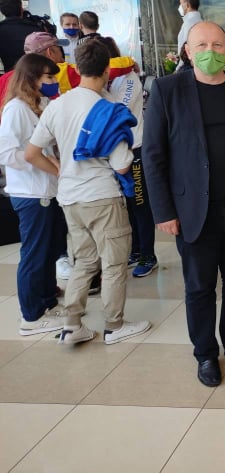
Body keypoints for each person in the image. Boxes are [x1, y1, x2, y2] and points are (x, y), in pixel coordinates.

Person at [143, 21, 225, 387]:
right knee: (200, 286)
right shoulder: (168, 90)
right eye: (202, 45)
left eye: (218, 45)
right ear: (188, 51)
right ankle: (206, 353)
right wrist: (164, 211)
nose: (210, 51)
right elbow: (153, 154)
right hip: (194, 210)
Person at [25, 39, 150, 346]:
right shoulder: (108, 111)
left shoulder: (57, 105)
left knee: (83, 262)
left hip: (69, 197)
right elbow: (122, 165)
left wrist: (61, 171)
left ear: (76, 68)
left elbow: (32, 153)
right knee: (114, 263)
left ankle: (71, 326)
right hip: (102, 197)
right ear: (107, 69)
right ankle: (114, 325)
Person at [0, 54, 65, 336]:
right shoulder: (16, 109)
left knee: (50, 249)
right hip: (30, 193)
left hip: (47, 190)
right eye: (48, 77)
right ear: (31, 78)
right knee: (34, 254)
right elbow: (7, 153)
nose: (53, 82)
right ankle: (31, 315)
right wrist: (43, 163)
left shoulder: (40, 105)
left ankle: (47, 299)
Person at [95, 36, 157, 279]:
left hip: (135, 149)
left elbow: (117, 111)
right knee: (128, 206)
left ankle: (148, 255)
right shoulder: (109, 79)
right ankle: (137, 249)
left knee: (141, 204)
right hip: (115, 151)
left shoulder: (128, 77)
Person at [0, 0, 56, 72]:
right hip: (39, 74)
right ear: (21, 7)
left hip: (11, 76)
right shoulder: (38, 26)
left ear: (2, 11)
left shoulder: (2, 30)